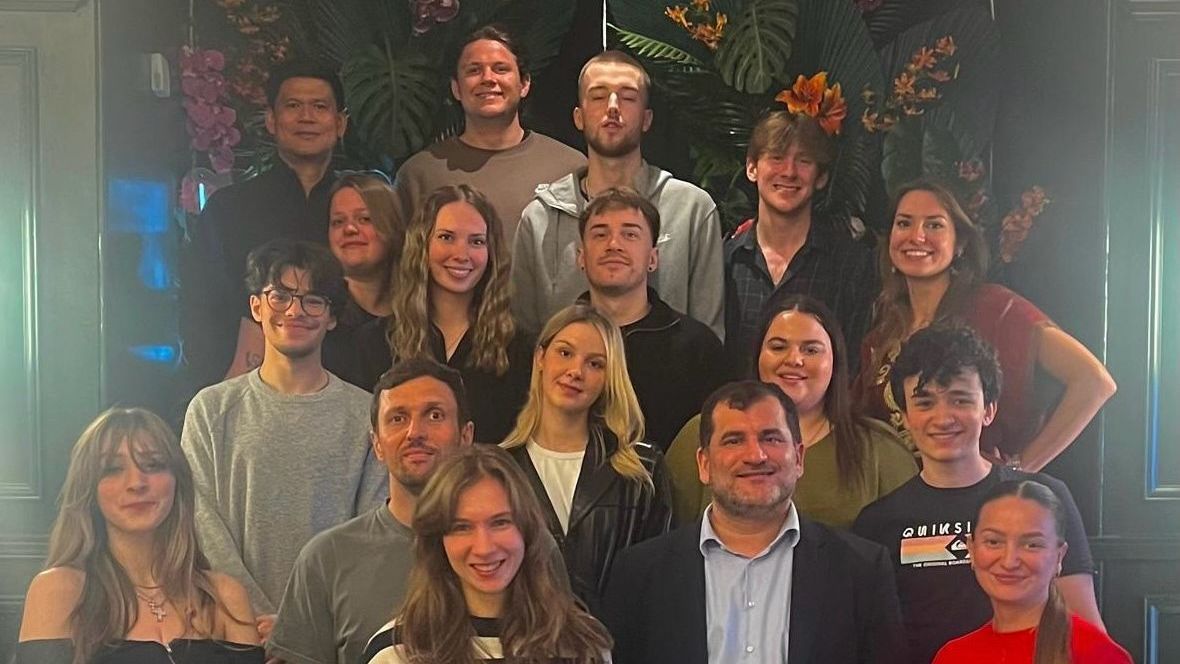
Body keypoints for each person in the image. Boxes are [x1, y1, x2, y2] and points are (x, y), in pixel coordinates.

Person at [602, 380, 907, 664]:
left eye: (770, 438)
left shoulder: (862, 571)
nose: (756, 455)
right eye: (733, 440)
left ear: (799, 458)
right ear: (704, 464)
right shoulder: (639, 574)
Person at [852, 324, 1103, 664]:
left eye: (960, 400)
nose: (942, 418)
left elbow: (1086, 630)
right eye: (924, 402)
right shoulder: (877, 523)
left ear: (988, 409)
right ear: (906, 416)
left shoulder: (1045, 499)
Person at [181, 240, 386, 635]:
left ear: (331, 318)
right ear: (257, 306)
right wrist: (251, 616)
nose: (294, 311)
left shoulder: (366, 415)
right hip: (231, 631)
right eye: (280, 296)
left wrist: (302, 626)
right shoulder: (210, 410)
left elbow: (369, 533)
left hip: (331, 633)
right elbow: (200, 523)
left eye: (313, 300)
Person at [855, 178, 1116, 470]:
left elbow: (1094, 382)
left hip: (981, 491)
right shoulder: (884, 332)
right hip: (906, 493)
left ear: (960, 244)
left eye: (934, 225)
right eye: (904, 223)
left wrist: (1018, 471)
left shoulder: (996, 309)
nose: (917, 236)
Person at [15, 407, 262, 663]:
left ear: (177, 481)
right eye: (112, 469)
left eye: (153, 465)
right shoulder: (60, 591)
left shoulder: (226, 597)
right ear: (89, 488)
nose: (136, 483)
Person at [266, 359, 473, 664]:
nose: (415, 432)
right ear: (376, 444)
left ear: (466, 437)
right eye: (398, 418)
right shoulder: (327, 559)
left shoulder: (507, 550)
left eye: (434, 415)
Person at [513, 50, 725, 339]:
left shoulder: (692, 210)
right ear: (578, 117)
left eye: (628, 97)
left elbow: (708, 337)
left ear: (647, 118)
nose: (613, 107)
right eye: (599, 96)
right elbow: (524, 338)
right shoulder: (540, 219)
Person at [666, 295, 917, 529]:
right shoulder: (701, 433)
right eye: (778, 347)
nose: (794, 360)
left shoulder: (879, 447)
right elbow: (671, 541)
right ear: (758, 356)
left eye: (811, 350)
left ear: (835, 361)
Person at [181, 58, 348, 392]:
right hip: (248, 388)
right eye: (293, 106)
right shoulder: (229, 208)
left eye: (319, 107)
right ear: (271, 120)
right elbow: (200, 305)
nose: (306, 117)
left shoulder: (359, 208)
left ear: (340, 122)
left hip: (345, 385)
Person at [360, 445, 612, 663]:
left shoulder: (582, 644)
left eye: (500, 523)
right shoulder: (397, 653)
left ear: (527, 529)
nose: (484, 548)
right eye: (462, 527)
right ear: (437, 540)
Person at [501, 303, 672, 612]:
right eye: (565, 353)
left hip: (614, 637)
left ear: (609, 377)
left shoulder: (642, 469)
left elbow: (658, 580)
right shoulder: (498, 468)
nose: (575, 372)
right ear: (540, 357)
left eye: (595, 364)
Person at [360, 184, 532, 444]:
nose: (461, 254)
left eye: (476, 241)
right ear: (422, 245)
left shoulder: (519, 351)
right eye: (446, 237)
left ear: (491, 253)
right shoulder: (374, 342)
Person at [394, 24, 584, 245]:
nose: (488, 78)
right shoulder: (419, 176)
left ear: (524, 84)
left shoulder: (569, 168)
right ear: (456, 88)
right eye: (474, 70)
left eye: (501, 69)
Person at [724, 111, 877, 370]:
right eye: (776, 157)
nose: (789, 172)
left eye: (804, 161)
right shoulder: (727, 260)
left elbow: (854, 366)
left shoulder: (851, 263)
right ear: (751, 168)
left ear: (821, 177)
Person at [574, 187, 724, 450]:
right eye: (600, 234)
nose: (613, 245)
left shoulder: (698, 348)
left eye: (630, 234)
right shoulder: (557, 346)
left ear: (653, 258)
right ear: (581, 257)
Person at [932, 480, 1132, 664]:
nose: (1009, 561)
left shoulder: (1098, 654)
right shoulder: (952, 656)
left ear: (1059, 556)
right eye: (993, 542)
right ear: (971, 549)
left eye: (1032, 545)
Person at [318, 171, 403, 390]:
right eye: (338, 222)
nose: (349, 229)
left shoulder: (420, 311)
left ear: (391, 225)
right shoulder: (317, 315)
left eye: (364, 219)